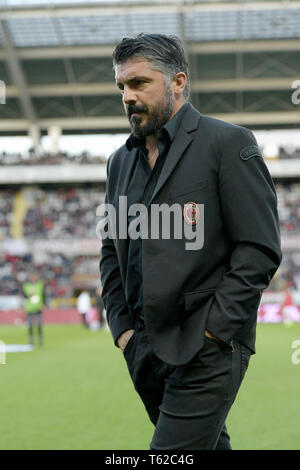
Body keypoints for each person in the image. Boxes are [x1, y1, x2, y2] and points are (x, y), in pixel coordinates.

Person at [99, 33, 282, 450]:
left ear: (178, 81)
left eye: (139, 83)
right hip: (143, 351)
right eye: (122, 86)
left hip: (207, 347)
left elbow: (259, 248)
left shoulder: (227, 143)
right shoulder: (119, 162)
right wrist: (123, 331)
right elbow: (111, 249)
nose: (127, 95)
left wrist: (216, 331)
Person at [22, 272, 45, 347]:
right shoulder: (26, 285)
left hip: (38, 307)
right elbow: (25, 295)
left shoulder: (40, 285)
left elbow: (43, 295)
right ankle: (31, 341)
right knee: (30, 325)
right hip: (29, 308)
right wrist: (28, 294)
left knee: (39, 325)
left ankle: (40, 341)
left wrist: (43, 304)